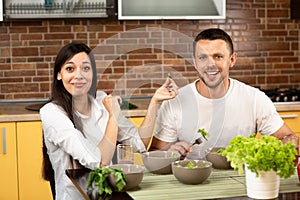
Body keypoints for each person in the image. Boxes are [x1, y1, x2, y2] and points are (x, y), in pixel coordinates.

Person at [40, 42, 178, 200]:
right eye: (70, 69)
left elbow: (140, 143)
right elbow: (99, 161)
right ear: (59, 74)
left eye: (85, 68)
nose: (79, 75)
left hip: (112, 195)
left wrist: (155, 102)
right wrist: (113, 115)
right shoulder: (52, 113)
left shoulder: (101, 100)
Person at [150, 28, 296, 160]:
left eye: (218, 56)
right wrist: (170, 153)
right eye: (203, 57)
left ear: (231, 60)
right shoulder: (175, 102)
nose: (210, 64)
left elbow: (288, 138)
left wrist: (287, 143)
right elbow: (154, 153)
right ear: (195, 62)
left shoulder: (255, 99)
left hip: (241, 182)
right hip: (190, 181)